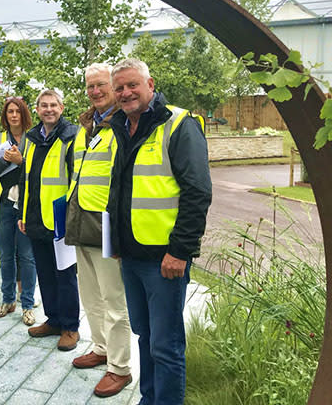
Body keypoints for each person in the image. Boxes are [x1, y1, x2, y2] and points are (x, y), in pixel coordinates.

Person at [107, 58, 212, 405]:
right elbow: (120, 189)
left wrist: (181, 251)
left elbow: (197, 192)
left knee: (166, 346)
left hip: (165, 260)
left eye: (132, 85)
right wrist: (116, 243)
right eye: (119, 87)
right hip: (132, 256)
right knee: (144, 336)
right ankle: (148, 399)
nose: (126, 93)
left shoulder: (178, 124)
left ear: (150, 84)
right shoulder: (120, 125)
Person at [65, 63, 132, 398]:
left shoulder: (122, 124)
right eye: (89, 86)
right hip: (80, 220)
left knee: (113, 299)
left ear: (113, 86)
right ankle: (101, 347)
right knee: (90, 296)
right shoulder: (86, 125)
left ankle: (120, 368)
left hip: (106, 223)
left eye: (101, 85)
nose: (95, 91)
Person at [18, 89, 80, 351]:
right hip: (35, 218)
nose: (48, 109)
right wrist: (22, 214)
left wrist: (72, 217)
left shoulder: (72, 136)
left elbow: (77, 178)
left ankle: (70, 327)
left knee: (65, 275)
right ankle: (53, 319)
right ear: (38, 110)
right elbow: (26, 178)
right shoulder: (31, 138)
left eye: (53, 105)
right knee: (45, 272)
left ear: (62, 108)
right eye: (43, 105)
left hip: (61, 218)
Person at [0, 96, 38, 326]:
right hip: (5, 205)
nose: (13, 115)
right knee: (6, 256)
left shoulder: (35, 138)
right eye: (9, 112)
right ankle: (7, 301)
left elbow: (39, 171)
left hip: (26, 205)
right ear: (4, 116)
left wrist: (21, 160)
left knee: (27, 257)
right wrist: (6, 160)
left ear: (24, 114)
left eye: (17, 111)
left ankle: (27, 305)